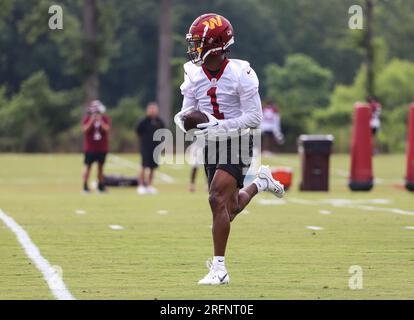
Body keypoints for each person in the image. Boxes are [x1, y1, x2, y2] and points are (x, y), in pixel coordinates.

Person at [175, 13, 285, 285]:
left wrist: (216, 125)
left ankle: (219, 270)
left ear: (216, 43)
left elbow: (255, 118)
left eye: (198, 42)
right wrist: (186, 124)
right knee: (229, 207)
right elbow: (183, 114)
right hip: (210, 144)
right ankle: (260, 183)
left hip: (237, 141)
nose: (193, 48)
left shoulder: (241, 74)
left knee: (215, 199)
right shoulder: (192, 72)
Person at [81, 100, 111, 193]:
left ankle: (100, 186)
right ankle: (85, 186)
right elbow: (84, 130)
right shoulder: (87, 118)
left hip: (102, 148)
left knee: (100, 167)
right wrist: (91, 121)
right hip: (90, 148)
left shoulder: (104, 118)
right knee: (88, 166)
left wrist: (100, 121)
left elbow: (107, 129)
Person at [135, 102, 165, 195]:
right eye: (150, 109)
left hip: (155, 147)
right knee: (143, 166)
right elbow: (138, 131)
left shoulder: (159, 121)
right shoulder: (143, 121)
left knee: (152, 167)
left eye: (154, 109)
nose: (152, 111)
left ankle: (149, 186)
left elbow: (163, 132)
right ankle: (140, 186)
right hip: (145, 146)